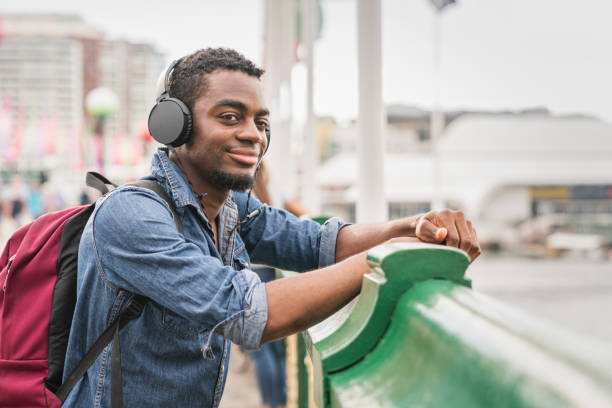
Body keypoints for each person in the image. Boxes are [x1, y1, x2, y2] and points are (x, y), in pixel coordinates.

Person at [63, 48, 480, 408]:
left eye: (261, 123)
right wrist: (387, 260)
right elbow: (249, 314)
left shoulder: (230, 207)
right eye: (230, 117)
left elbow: (319, 244)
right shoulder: (131, 217)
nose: (253, 136)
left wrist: (412, 226)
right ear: (175, 126)